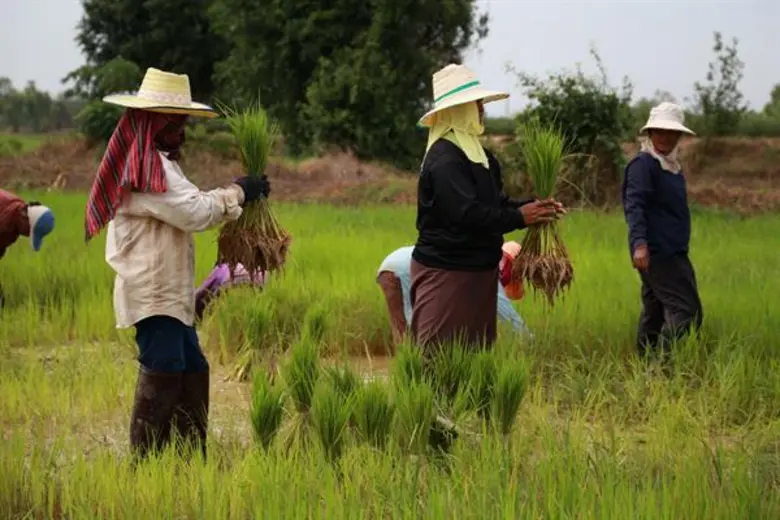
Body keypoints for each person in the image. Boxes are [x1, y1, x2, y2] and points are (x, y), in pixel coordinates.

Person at [84, 67, 271, 460]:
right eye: (177, 122)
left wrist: (234, 194)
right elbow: (193, 211)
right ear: (155, 122)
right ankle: (147, 460)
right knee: (166, 363)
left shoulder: (159, 165)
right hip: (153, 291)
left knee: (191, 364)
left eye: (185, 122)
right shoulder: (145, 171)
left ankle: (186, 457)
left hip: (169, 292)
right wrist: (238, 191)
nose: (183, 130)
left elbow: (193, 205)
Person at [411, 63, 565, 356]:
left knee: (474, 356)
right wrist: (520, 217)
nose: (481, 109)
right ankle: (429, 405)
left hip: (479, 270)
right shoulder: (444, 159)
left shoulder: (481, 155)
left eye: (480, 103)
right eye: (475, 104)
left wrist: (534, 208)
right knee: (438, 357)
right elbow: (465, 214)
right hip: (446, 269)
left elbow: (496, 204)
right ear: (457, 110)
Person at [622, 101, 703, 359]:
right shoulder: (644, 166)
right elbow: (634, 206)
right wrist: (639, 244)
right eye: (660, 131)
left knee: (655, 309)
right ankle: (664, 362)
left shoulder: (671, 167)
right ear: (650, 133)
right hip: (657, 252)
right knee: (687, 311)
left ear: (679, 135)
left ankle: (646, 363)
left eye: (671, 132)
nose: (665, 137)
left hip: (673, 249)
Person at [376, 241, 532, 346]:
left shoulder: (474, 262)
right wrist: (528, 340)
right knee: (412, 329)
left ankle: (408, 374)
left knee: (405, 328)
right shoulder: (485, 267)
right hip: (403, 269)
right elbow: (506, 312)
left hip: (396, 266)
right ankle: (413, 378)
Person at [195, 262, 265, 322]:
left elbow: (201, 291)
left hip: (230, 287)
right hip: (256, 294)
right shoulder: (264, 271)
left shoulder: (223, 267)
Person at [0, 189, 54, 259]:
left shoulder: (13, 227)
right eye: (28, 231)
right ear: (25, 217)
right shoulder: (4, 209)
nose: (27, 235)